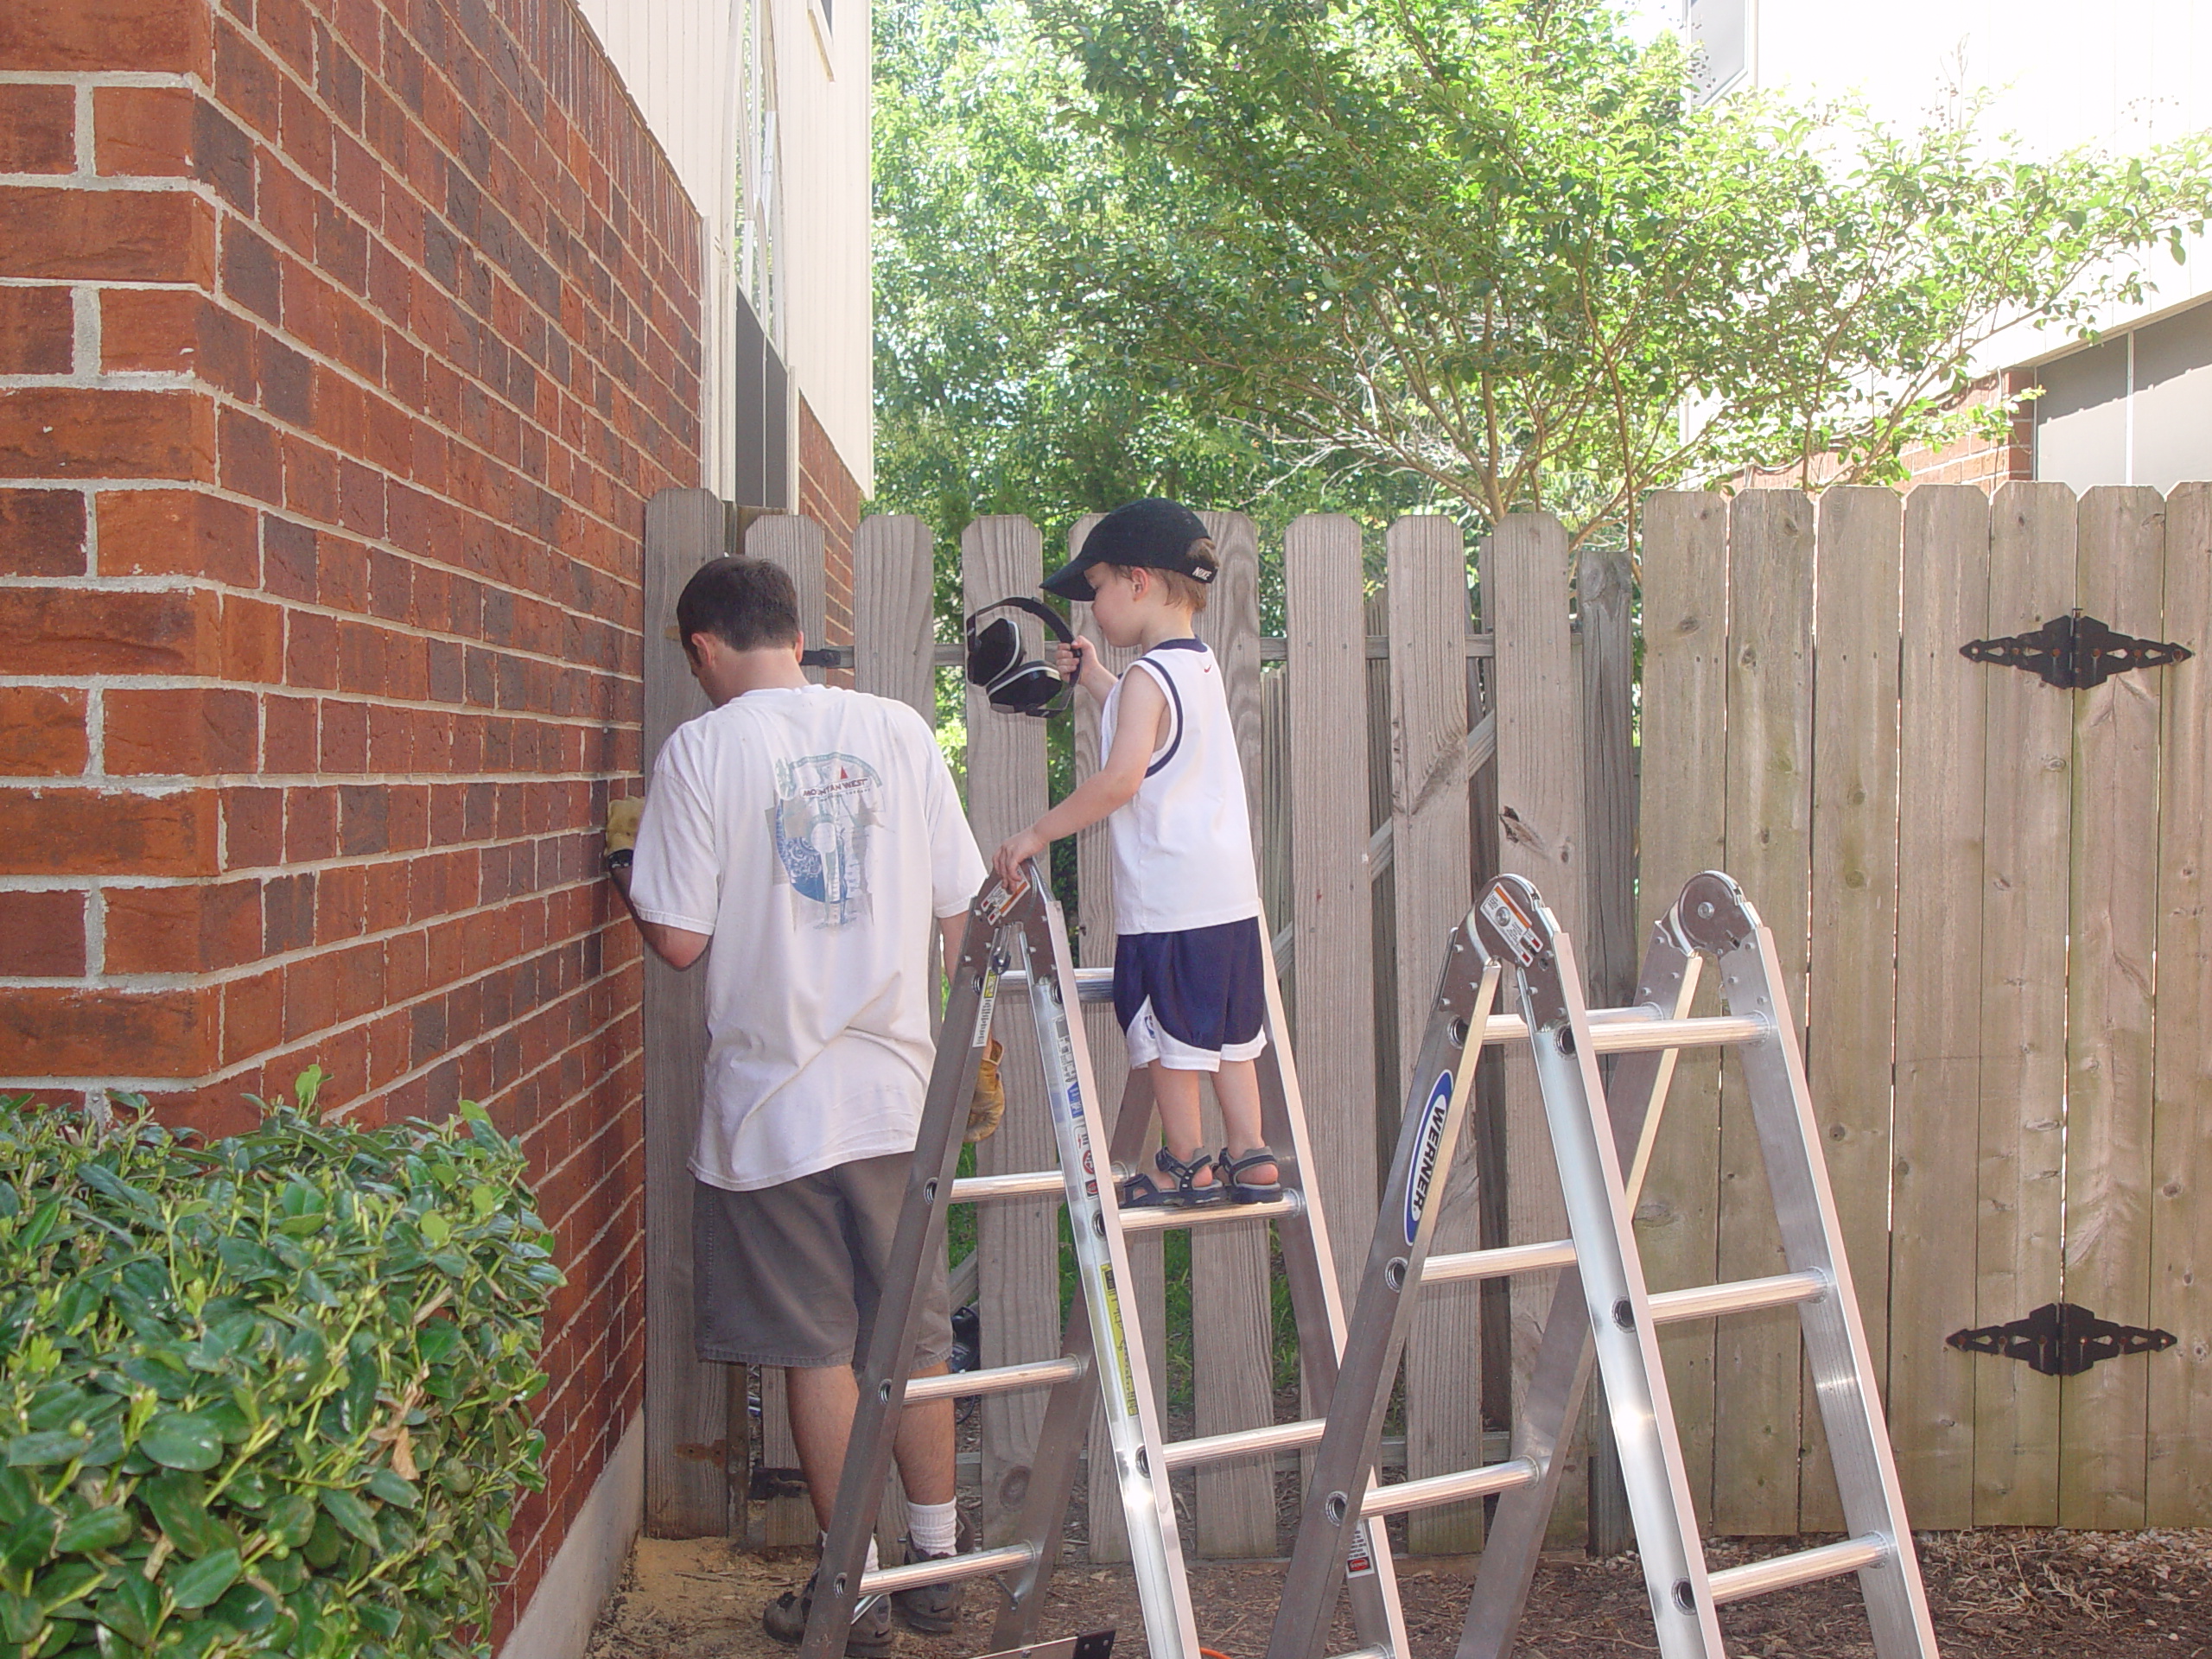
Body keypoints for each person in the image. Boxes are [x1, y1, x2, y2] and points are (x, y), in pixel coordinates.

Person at [603, 556, 988, 1654]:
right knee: (910, 1338)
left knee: (815, 1346)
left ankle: (847, 1592)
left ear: (702, 650)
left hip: (775, 1105)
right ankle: (936, 1561)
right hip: (896, 1092)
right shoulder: (898, 730)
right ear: (794, 630)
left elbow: (678, 941)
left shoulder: (703, 750)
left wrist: (631, 866)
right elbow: (962, 909)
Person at [991, 498, 1280, 1208]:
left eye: (1096, 590)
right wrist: (1093, 676)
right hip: (1228, 901)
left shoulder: (1151, 679)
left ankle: (1186, 1161)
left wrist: (1038, 833)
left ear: (1138, 582)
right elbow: (1145, 718)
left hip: (1169, 904)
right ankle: (1249, 1152)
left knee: (1166, 1034)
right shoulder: (1196, 668)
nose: (1091, 610)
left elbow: (1122, 777)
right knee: (1233, 1034)